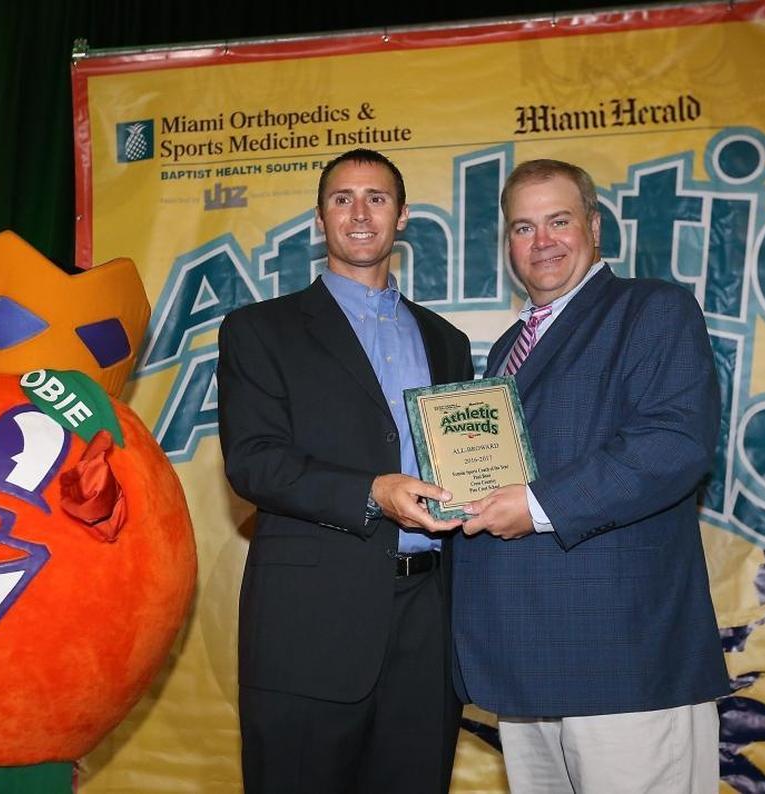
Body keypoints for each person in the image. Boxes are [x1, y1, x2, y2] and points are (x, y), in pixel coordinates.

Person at [452, 159, 729, 793]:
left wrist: (535, 506)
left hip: (624, 658)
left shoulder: (652, 308)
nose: (541, 241)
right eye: (523, 228)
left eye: (559, 221)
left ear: (595, 227)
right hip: (528, 664)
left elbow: (674, 444)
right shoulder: (509, 348)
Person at [217, 148, 473, 793]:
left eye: (376, 199)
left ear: (403, 216)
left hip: (430, 621)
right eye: (342, 199)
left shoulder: (447, 341)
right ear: (320, 219)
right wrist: (373, 492)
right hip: (311, 620)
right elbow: (254, 461)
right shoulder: (259, 329)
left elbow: (466, 460)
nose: (360, 214)